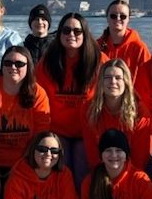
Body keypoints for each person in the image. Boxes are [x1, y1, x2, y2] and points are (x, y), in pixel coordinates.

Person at [37, 12, 108, 182]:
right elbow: (37, 97)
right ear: (59, 33)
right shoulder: (48, 62)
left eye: (77, 31)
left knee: (83, 175)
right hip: (57, 131)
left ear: (85, 34)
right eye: (66, 30)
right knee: (61, 174)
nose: (71, 35)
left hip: (87, 131)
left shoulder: (99, 61)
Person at [0, 46, 51, 184]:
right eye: (8, 63)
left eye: (19, 64)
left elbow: (40, 136)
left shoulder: (38, 94)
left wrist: (19, 168)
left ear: (28, 66)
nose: (13, 67)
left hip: (25, 160)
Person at [81, 58, 152, 178]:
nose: (113, 82)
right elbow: (92, 152)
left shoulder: (140, 112)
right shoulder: (89, 109)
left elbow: (139, 156)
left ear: (126, 81)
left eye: (118, 78)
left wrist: (123, 181)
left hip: (135, 166)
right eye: (107, 78)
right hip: (104, 164)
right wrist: (102, 177)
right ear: (100, 82)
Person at [97, 0, 150, 82]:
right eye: (113, 16)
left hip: (130, 94)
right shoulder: (96, 47)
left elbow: (148, 78)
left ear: (129, 19)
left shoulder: (139, 48)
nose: (118, 19)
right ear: (107, 18)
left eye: (123, 16)